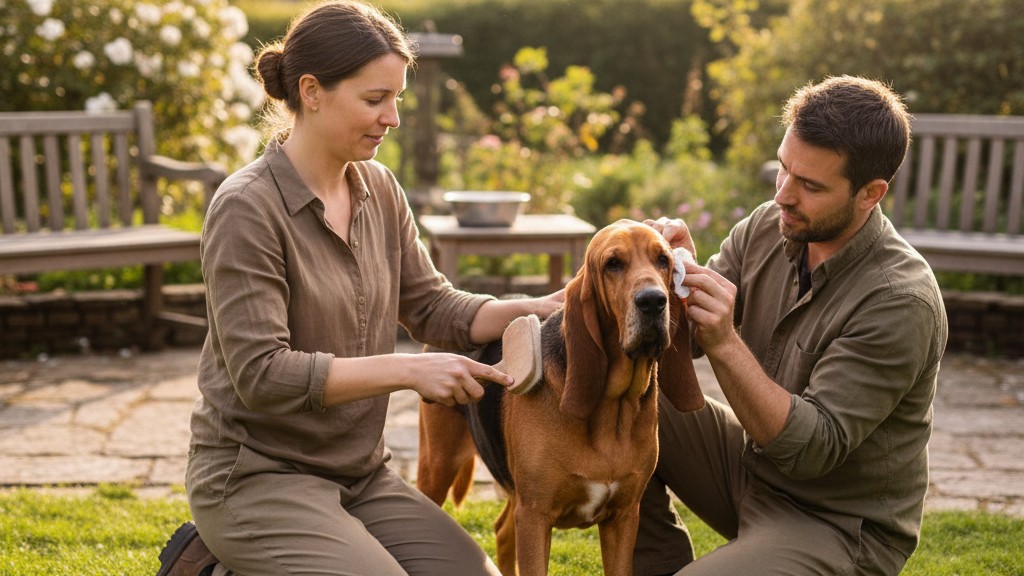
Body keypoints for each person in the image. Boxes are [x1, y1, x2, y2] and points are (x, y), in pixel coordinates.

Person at [155, 2, 562, 575]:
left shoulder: (379, 188)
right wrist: (406, 371)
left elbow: (430, 306)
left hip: (357, 475)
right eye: (375, 99)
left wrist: (535, 309)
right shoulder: (247, 208)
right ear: (312, 91)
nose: (391, 117)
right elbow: (262, 375)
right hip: (255, 477)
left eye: (396, 97)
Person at [632, 76, 948, 575]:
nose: (783, 195)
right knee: (626, 395)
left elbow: (812, 452)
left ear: (871, 193)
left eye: (811, 185)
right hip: (748, 468)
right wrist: (674, 273)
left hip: (834, 521)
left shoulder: (900, 300)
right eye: (783, 169)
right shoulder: (766, 226)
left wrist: (725, 341)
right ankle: (656, 562)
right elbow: (681, 340)